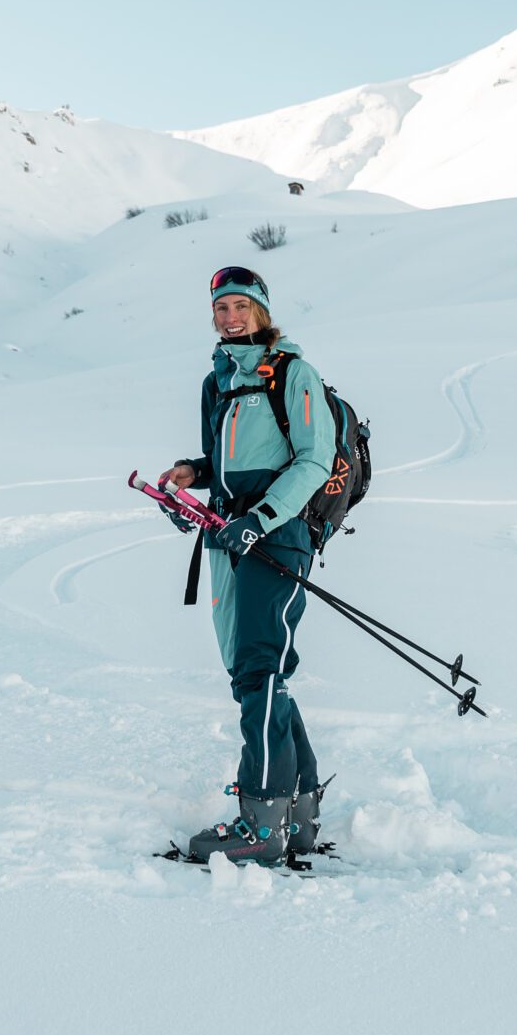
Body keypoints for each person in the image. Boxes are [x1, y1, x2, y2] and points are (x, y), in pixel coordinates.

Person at [159, 266, 337, 865]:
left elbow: (313, 462)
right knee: (260, 676)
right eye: (220, 308)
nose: (229, 316)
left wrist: (258, 519)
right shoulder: (219, 381)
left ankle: (261, 824)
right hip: (231, 538)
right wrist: (195, 475)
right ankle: (298, 816)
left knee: (259, 673)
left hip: (278, 537)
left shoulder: (292, 373)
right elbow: (227, 460)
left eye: (240, 306)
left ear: (262, 311)